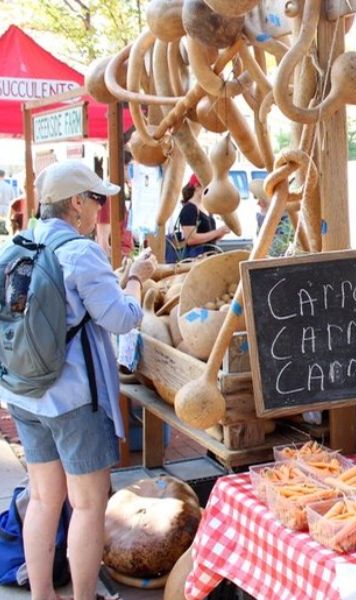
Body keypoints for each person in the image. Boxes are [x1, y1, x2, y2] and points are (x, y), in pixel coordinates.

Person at [0, 160, 158, 600]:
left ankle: (43, 595)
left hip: (25, 394)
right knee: (88, 505)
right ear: (75, 204)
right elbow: (122, 319)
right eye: (96, 199)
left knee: (45, 498)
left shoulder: (18, 245)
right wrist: (136, 282)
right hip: (73, 400)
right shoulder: (81, 252)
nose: (100, 210)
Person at [174, 174, 229, 257]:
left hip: (209, 256)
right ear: (196, 186)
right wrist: (217, 232)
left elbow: (209, 238)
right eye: (207, 187)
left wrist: (221, 233)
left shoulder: (206, 207)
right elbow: (190, 239)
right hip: (196, 259)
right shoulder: (190, 208)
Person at [0, 169, 14, 235]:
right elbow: (13, 198)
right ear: (4, 176)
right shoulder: (9, 186)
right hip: (6, 207)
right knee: (6, 225)